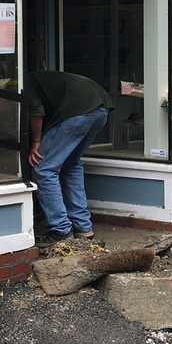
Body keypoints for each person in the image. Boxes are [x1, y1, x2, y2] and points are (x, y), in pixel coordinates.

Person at [26, 71, 113, 241]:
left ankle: (60, 229)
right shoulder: (48, 79)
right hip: (101, 110)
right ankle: (83, 227)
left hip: (78, 112)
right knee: (71, 164)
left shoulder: (25, 82)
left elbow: (37, 112)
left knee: (43, 168)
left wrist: (36, 142)